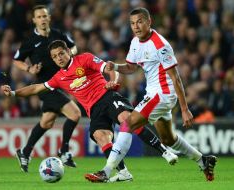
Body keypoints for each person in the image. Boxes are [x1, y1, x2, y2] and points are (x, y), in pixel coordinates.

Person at [2, 40, 178, 182]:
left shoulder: (84, 59)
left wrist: (113, 81)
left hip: (107, 97)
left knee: (127, 119)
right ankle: (123, 172)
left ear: (68, 52)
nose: (59, 58)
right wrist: (14, 93)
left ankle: (164, 151)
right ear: (53, 59)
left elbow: (109, 69)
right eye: (55, 57)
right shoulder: (58, 78)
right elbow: (35, 88)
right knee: (101, 136)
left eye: (61, 53)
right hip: (93, 110)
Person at [85, 7, 217, 182]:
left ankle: (107, 171)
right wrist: (116, 66)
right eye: (132, 23)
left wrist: (184, 109)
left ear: (149, 22)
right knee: (168, 138)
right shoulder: (135, 42)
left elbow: (176, 78)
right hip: (155, 93)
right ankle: (203, 160)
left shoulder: (160, 45)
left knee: (128, 123)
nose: (136, 26)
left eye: (140, 22)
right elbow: (131, 67)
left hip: (163, 93)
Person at [12, 5, 81, 172]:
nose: (42, 19)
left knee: (47, 122)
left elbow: (74, 47)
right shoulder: (30, 41)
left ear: (49, 18)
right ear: (34, 20)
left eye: (44, 16)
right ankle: (64, 151)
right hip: (45, 86)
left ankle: (25, 151)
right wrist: (29, 69)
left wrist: (69, 54)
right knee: (75, 114)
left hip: (61, 83)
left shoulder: (58, 35)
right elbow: (17, 60)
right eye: (39, 17)